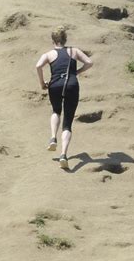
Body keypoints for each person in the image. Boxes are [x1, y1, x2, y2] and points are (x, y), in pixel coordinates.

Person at [36, 27, 93, 169]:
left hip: (54, 85)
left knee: (56, 111)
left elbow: (38, 66)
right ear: (65, 39)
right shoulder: (74, 51)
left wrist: (43, 83)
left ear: (53, 40)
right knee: (67, 122)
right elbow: (89, 62)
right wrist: (77, 72)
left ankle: (53, 138)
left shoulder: (49, 54)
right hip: (71, 85)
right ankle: (63, 154)